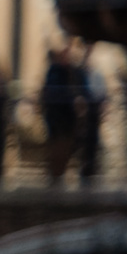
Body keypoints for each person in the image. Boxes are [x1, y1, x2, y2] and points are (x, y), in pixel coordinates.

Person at [40, 43, 105, 184]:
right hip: (59, 123)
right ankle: (55, 181)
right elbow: (52, 94)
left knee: (79, 153)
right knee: (58, 156)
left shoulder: (76, 72)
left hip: (73, 122)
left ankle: (83, 177)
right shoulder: (55, 72)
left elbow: (84, 92)